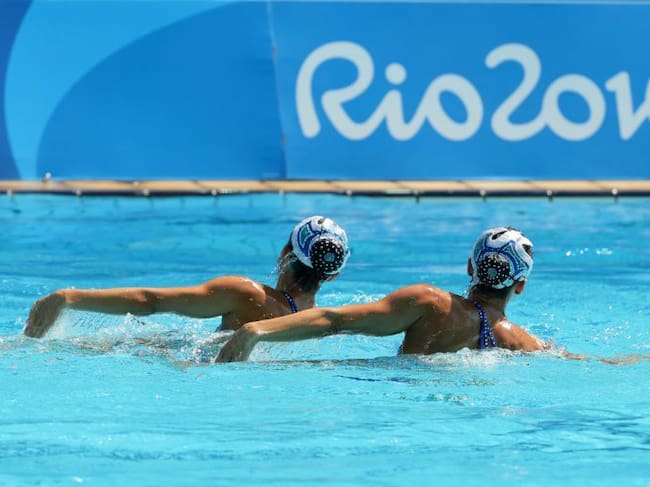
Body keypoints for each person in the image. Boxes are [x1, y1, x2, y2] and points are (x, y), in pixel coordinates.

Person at [216, 226, 548, 362]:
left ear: (470, 267)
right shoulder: (524, 343)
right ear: (520, 284)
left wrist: (255, 330)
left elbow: (334, 320)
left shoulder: (431, 303)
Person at [23, 216, 351, 339]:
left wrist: (67, 298)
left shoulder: (247, 294)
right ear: (333, 275)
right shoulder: (316, 324)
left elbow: (149, 302)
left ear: (284, 254)